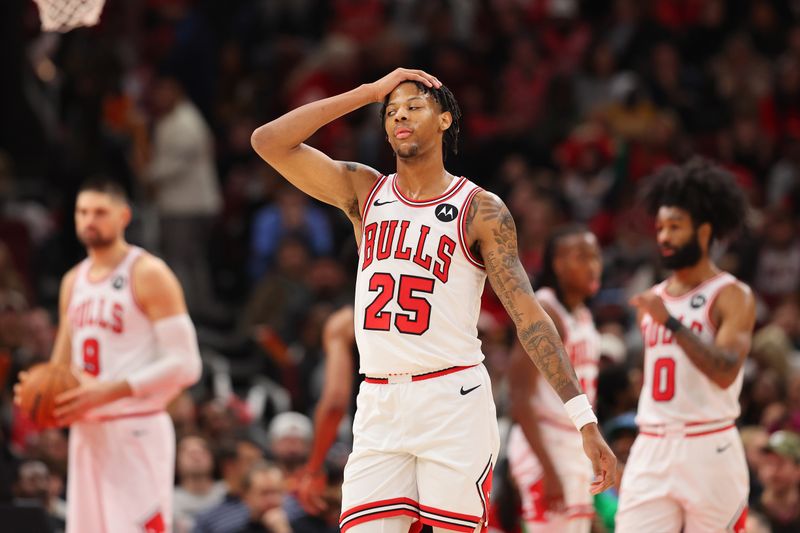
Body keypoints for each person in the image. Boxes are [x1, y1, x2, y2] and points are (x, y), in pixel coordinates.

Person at [251, 67, 616, 533]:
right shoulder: (365, 191)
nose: (399, 115)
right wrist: (368, 92)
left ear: (444, 120)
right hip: (380, 400)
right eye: (391, 111)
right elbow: (268, 141)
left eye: (414, 107)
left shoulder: (480, 208)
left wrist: (583, 419)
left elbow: (529, 318)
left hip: (452, 399)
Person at [14, 178, 202, 533]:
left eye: (100, 212)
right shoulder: (73, 280)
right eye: (82, 212)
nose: (89, 220)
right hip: (87, 432)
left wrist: (111, 390)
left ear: (123, 216)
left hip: (137, 428)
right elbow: (61, 368)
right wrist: (37, 392)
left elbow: (187, 364)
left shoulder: (148, 273)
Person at [616, 157, 756, 532]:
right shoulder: (655, 299)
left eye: (675, 227)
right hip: (652, 445)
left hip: (709, 446)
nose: (663, 237)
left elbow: (725, 372)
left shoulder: (731, 295)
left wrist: (671, 323)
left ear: (705, 232)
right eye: (660, 227)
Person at [507, 226, 602, 532]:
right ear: (558, 264)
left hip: (573, 445)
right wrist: (547, 468)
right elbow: (519, 396)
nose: (593, 265)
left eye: (596, 257)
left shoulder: (583, 315)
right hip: (545, 446)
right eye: (582, 257)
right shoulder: (543, 310)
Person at [297, 305, 356, 516]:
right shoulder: (454, 301)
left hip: (382, 446)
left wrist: (313, 469)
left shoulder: (346, 322)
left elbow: (335, 403)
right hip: (446, 431)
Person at [234, 462, 291, 533]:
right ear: (246, 497)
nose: (271, 499)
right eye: (264, 493)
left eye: (275, 492)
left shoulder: (302, 523)